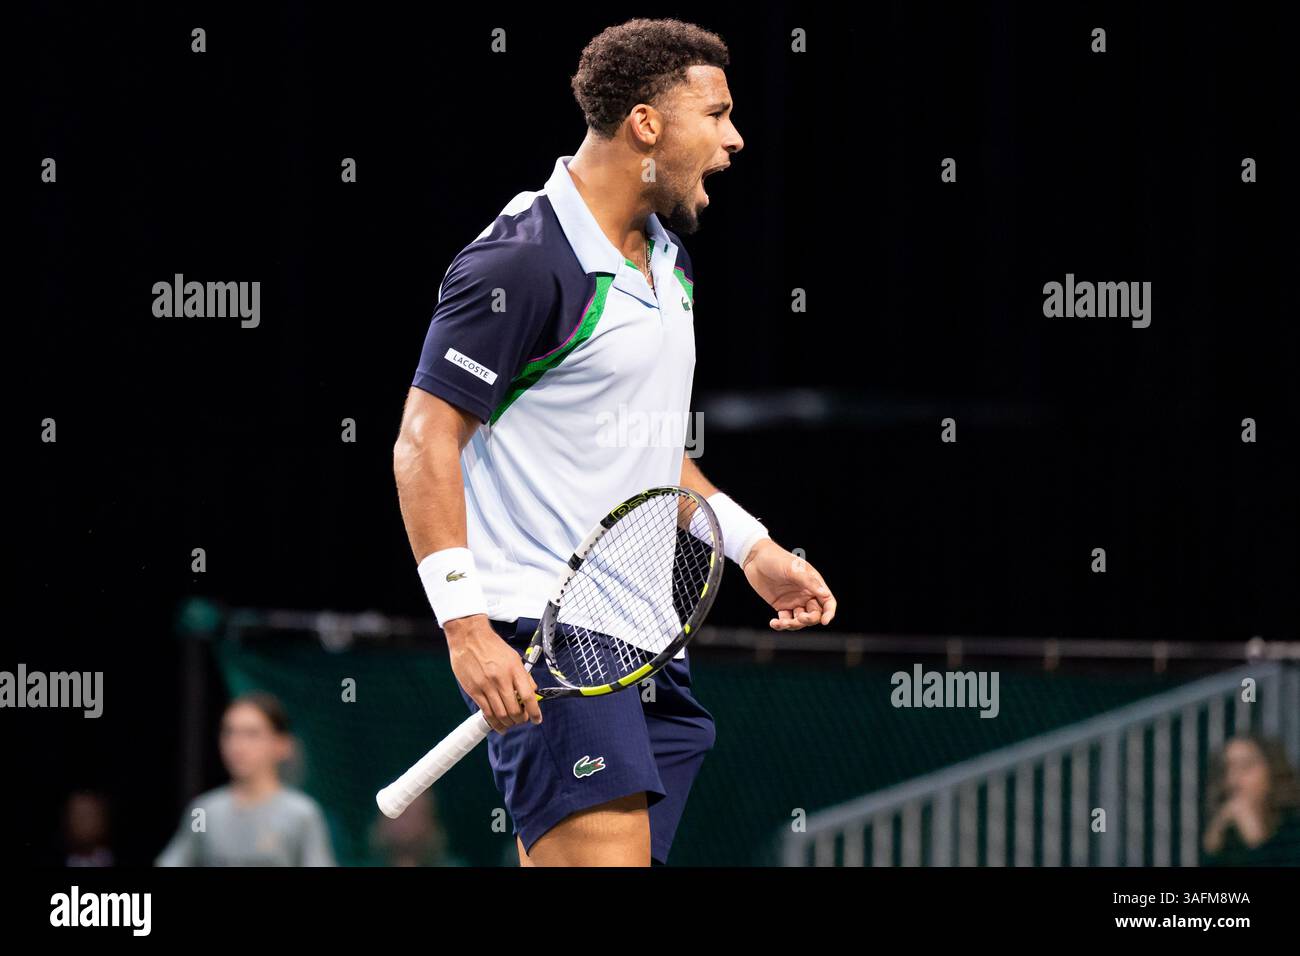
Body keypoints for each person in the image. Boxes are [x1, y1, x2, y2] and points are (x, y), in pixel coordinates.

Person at [393, 18, 837, 867]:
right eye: (718, 115)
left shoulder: (668, 261)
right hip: (551, 638)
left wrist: (752, 549)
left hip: (645, 645)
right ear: (646, 124)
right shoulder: (520, 262)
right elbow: (423, 441)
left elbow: (647, 453)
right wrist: (466, 628)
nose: (736, 140)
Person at [156, 691, 335, 866]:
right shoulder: (204, 812)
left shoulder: (301, 814)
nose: (237, 745)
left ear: (282, 744)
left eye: (251, 734)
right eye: (229, 732)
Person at [1202, 732, 1300, 866]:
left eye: (1245, 766)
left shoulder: (1293, 827)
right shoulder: (1227, 830)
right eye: (1227, 769)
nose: (1233, 779)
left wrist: (1255, 837)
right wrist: (1213, 844)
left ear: (1273, 769)